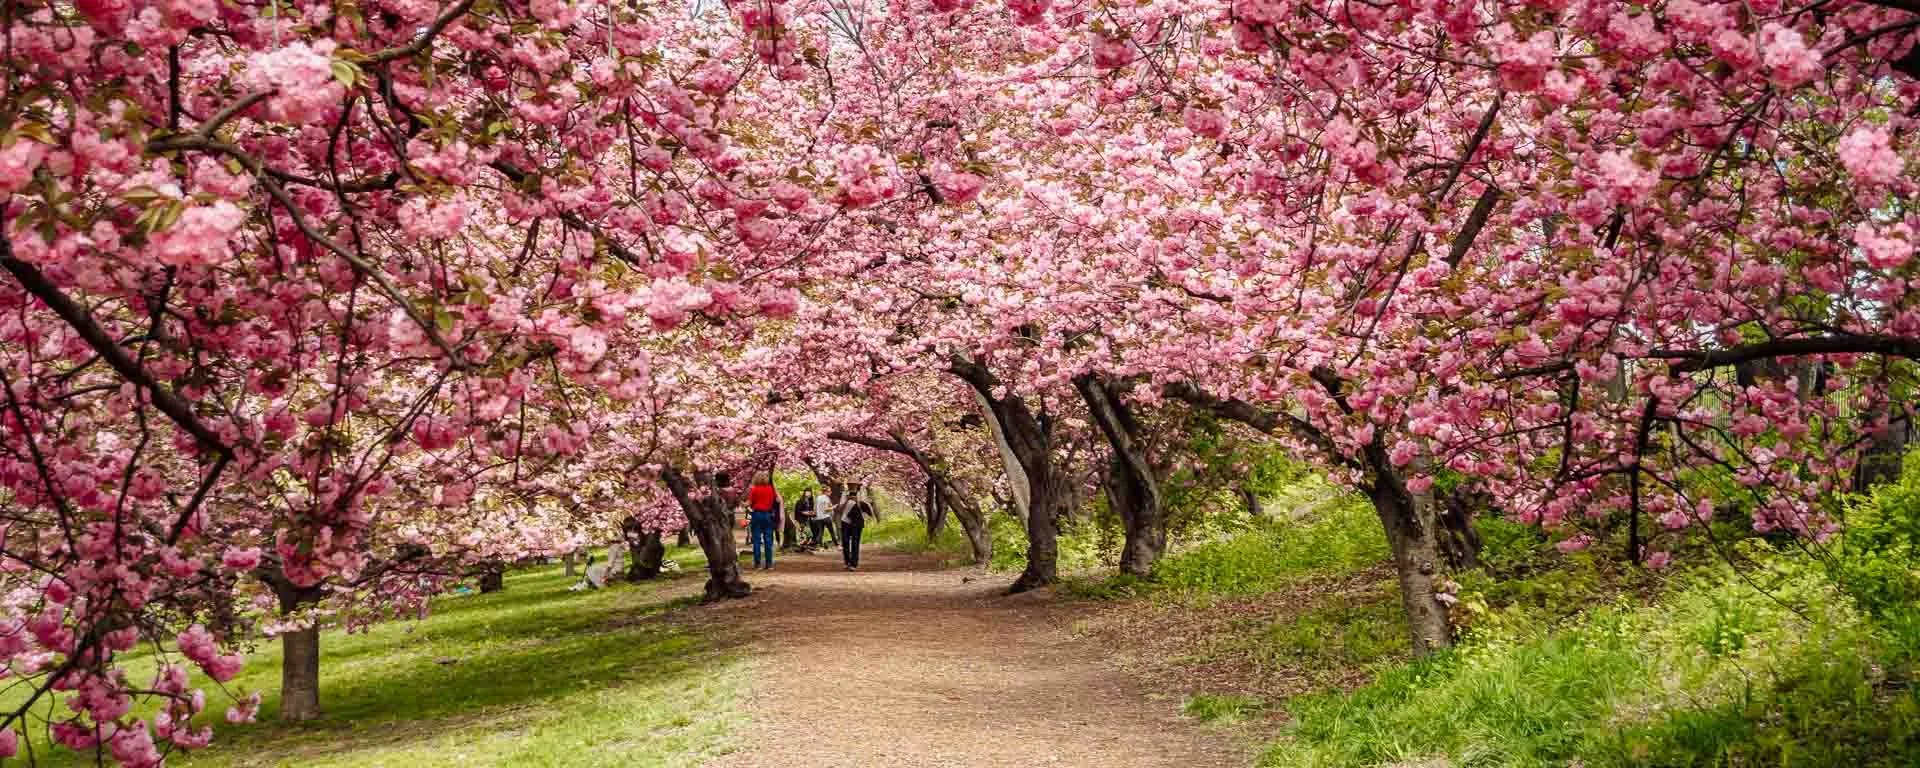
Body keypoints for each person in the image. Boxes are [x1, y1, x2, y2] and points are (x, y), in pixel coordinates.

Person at [840, 484, 878, 571]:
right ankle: (847, 562)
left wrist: (865, 508)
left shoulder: (862, 503)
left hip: (856, 525)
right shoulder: (845, 502)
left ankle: (853, 564)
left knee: (855, 543)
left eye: (854, 495)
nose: (852, 497)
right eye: (851, 495)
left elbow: (870, 514)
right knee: (845, 543)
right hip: (845, 523)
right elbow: (839, 510)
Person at [747, 471, 780, 570]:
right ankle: (769, 563)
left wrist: (742, 503)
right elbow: (776, 500)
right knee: (768, 540)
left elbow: (749, 503)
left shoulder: (754, 490)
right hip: (768, 515)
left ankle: (757, 563)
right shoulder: (771, 489)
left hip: (757, 514)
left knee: (756, 539)